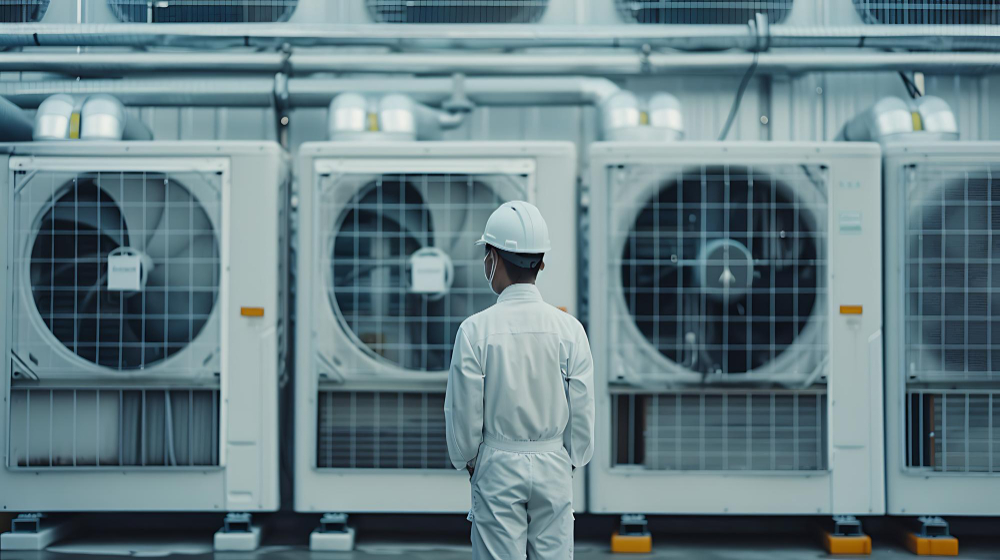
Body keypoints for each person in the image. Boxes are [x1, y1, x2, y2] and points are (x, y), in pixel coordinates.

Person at [444, 200, 595, 560]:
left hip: (497, 460)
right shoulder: (570, 329)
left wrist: (469, 459)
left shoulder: (475, 330)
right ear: (541, 262)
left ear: (493, 258)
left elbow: (463, 410)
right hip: (554, 461)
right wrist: (570, 458)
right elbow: (583, 407)